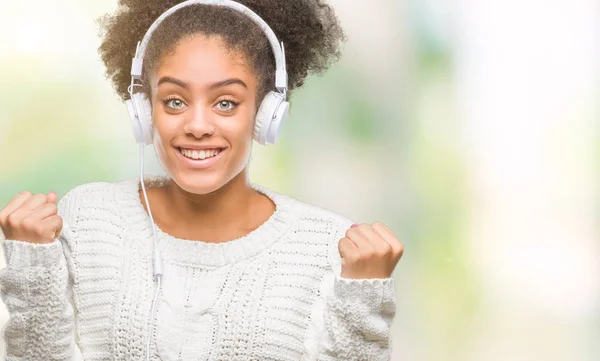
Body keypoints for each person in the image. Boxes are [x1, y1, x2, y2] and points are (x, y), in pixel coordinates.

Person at [0, 1, 404, 360]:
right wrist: (32, 267)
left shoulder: (327, 246)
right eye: (174, 101)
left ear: (266, 115)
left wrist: (362, 298)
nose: (197, 125)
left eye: (226, 103)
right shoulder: (89, 219)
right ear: (144, 110)